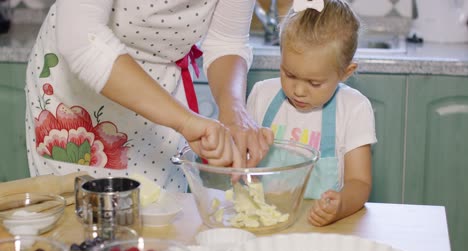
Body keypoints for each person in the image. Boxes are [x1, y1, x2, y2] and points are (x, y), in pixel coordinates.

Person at [25, 0, 273, 192]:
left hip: (163, 99)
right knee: (80, 227)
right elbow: (82, 40)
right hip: (78, 101)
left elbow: (226, 41)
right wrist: (185, 121)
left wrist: (234, 111)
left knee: (161, 224)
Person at [246, 0, 377, 226]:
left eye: (314, 83)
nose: (298, 90)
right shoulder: (262, 95)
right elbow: (242, 162)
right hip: (265, 223)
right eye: (289, 74)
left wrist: (341, 206)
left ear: (346, 72)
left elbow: (359, 182)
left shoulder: (354, 109)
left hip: (322, 230)